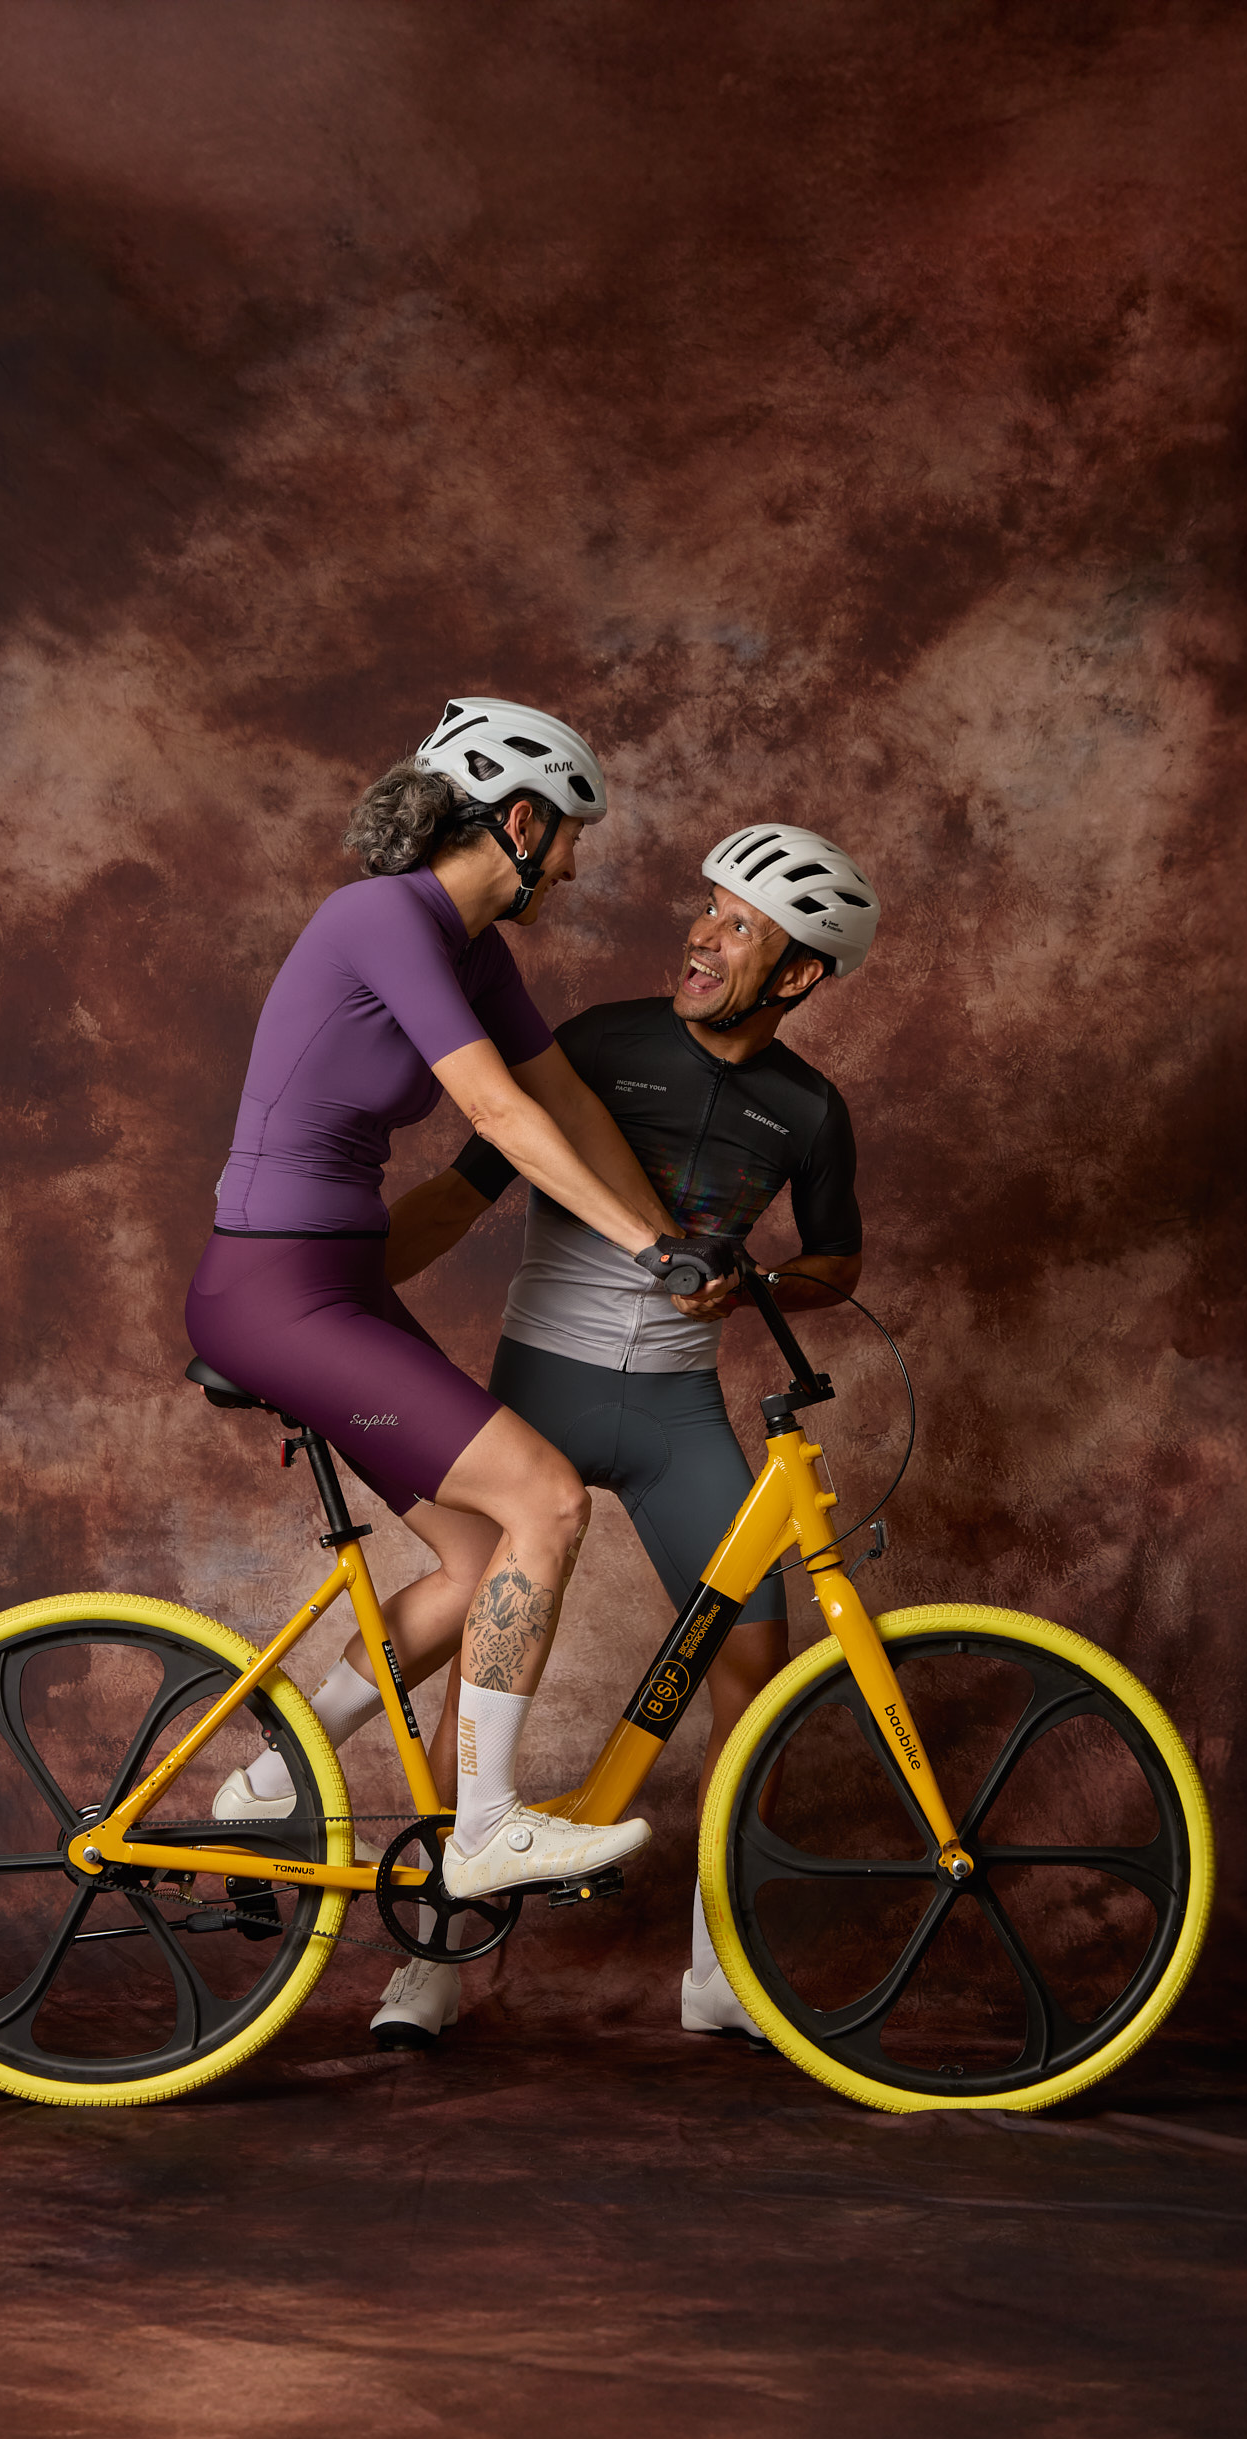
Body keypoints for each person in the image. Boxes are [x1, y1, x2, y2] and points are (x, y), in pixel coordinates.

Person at [368, 823, 878, 2044]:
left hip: (677, 1417)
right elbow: (463, 1186)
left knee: (755, 1663)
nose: (700, 936)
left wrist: (761, 1286)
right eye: (705, 910)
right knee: (490, 1635)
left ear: (798, 974)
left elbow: (836, 1258)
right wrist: (329, 1292)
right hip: (538, 1390)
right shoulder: (599, 1039)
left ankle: (716, 1967)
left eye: (737, 925)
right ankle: (432, 1959)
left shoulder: (811, 1109)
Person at [190, 698, 704, 1901]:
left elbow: (566, 1101)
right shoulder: (379, 918)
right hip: (278, 1294)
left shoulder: (475, 950)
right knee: (547, 1499)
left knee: (481, 1559)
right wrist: (643, 1245)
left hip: (335, 1288)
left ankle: (280, 1769)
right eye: (571, 835)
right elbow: (498, 1115)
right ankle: (483, 1831)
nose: (572, 865)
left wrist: (674, 1246)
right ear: (520, 820)